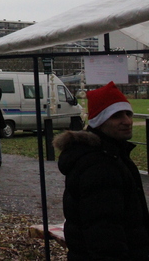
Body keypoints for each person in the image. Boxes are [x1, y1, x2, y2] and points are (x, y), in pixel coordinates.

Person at [53, 81, 149, 260]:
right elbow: (104, 233)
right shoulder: (100, 165)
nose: (127, 121)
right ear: (100, 121)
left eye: (128, 114)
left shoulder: (111, 154)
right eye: (116, 116)